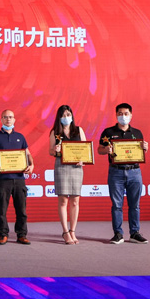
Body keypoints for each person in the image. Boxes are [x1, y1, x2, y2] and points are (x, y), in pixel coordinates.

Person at [98, 102, 149, 245]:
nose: (123, 116)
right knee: (116, 205)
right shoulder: (108, 132)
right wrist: (106, 150)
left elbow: (140, 151)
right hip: (116, 172)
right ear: (116, 115)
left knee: (135, 205)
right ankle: (118, 234)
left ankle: (135, 233)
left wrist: (145, 148)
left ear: (131, 115)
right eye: (120, 114)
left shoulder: (137, 133)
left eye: (126, 113)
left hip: (134, 171)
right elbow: (99, 149)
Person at [0, 109, 35, 245]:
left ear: (14, 120)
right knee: (2, 209)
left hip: (19, 178)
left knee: (21, 209)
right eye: (5, 117)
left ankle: (21, 235)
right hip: (2, 179)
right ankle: (3, 234)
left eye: (10, 117)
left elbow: (28, 154)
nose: (8, 119)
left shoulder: (20, 137)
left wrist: (32, 165)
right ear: (1, 119)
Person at [48, 105, 85, 245]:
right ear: (59, 117)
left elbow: (85, 149)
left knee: (75, 201)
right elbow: (50, 151)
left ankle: (73, 230)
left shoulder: (79, 130)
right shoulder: (55, 132)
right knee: (63, 200)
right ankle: (65, 231)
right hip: (61, 167)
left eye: (68, 114)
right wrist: (55, 150)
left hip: (76, 168)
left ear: (72, 116)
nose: (66, 117)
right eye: (63, 115)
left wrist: (83, 159)